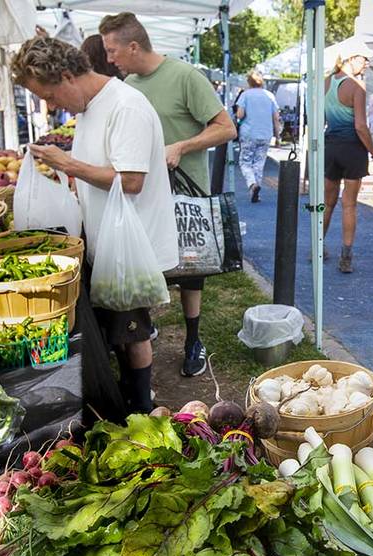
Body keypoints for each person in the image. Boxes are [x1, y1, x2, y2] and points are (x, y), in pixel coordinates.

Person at [13, 36, 177, 414]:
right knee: (118, 328)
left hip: (131, 246)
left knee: (131, 328)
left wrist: (68, 165)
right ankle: (129, 396)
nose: (51, 106)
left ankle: (139, 406)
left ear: (67, 76)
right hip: (108, 239)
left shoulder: (126, 106)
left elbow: (131, 180)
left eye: (50, 96)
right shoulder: (91, 109)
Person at [100, 12, 238, 376]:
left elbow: (226, 129)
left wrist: (181, 146)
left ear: (133, 45)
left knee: (191, 271)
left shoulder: (186, 76)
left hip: (187, 194)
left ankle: (193, 338)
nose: (110, 59)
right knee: (150, 265)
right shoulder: (129, 84)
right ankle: (147, 327)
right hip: (145, 193)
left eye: (113, 50)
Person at [323, 39, 373, 274]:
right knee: (349, 205)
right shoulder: (357, 87)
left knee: (327, 203)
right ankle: (346, 256)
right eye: (364, 59)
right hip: (352, 149)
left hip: (331, 147)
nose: (366, 64)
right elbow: (360, 126)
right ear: (351, 59)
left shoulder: (326, 82)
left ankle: (318, 247)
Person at [236, 70, 280, 203]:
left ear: (249, 82)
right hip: (265, 134)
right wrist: (278, 137)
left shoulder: (245, 95)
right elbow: (276, 118)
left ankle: (252, 184)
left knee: (245, 162)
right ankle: (255, 191)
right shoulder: (270, 96)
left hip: (249, 133)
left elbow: (240, 115)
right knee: (259, 163)